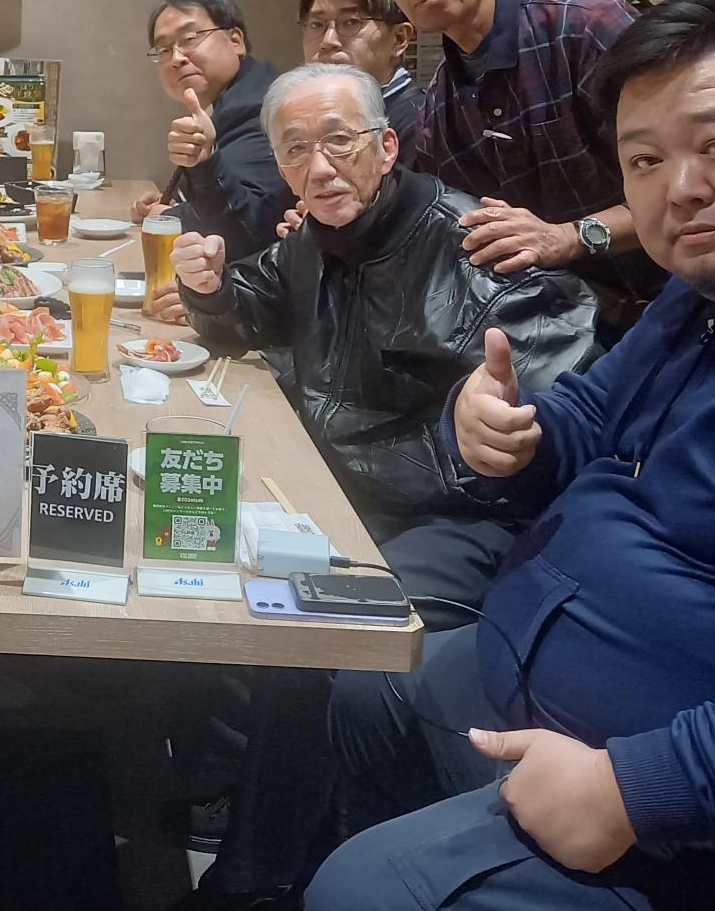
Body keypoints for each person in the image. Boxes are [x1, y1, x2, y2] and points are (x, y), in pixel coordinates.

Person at [313, 0, 715, 911]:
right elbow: (590, 415)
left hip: (713, 820)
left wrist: (634, 792)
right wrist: (511, 431)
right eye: (645, 159)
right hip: (534, 678)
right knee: (369, 687)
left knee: (359, 888)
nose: (681, 188)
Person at [166, 63, 598, 910]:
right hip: (345, 503)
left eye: (340, 142)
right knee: (202, 562)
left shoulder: (472, 246)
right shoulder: (314, 238)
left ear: (387, 145)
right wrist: (207, 285)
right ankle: (228, 803)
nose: (320, 166)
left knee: (308, 627)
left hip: (461, 519)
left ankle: (259, 879)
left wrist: (497, 429)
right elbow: (250, 307)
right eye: (297, 150)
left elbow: (552, 417)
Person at [365, 0, 664, 322]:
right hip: (575, 332)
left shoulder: (587, 29)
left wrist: (570, 237)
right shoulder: (440, 107)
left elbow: (684, 179)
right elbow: (440, 229)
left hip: (687, 302)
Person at [133, 0, 292, 323]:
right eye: (164, 49)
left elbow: (248, 233)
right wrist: (171, 205)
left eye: (190, 38)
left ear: (236, 40)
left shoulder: (266, 110)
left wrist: (173, 214)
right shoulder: (229, 102)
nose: (176, 57)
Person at [296, 0, 422, 161]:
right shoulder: (301, 120)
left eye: (350, 22)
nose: (328, 41)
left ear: (399, 39)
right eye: (316, 25)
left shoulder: (423, 126)